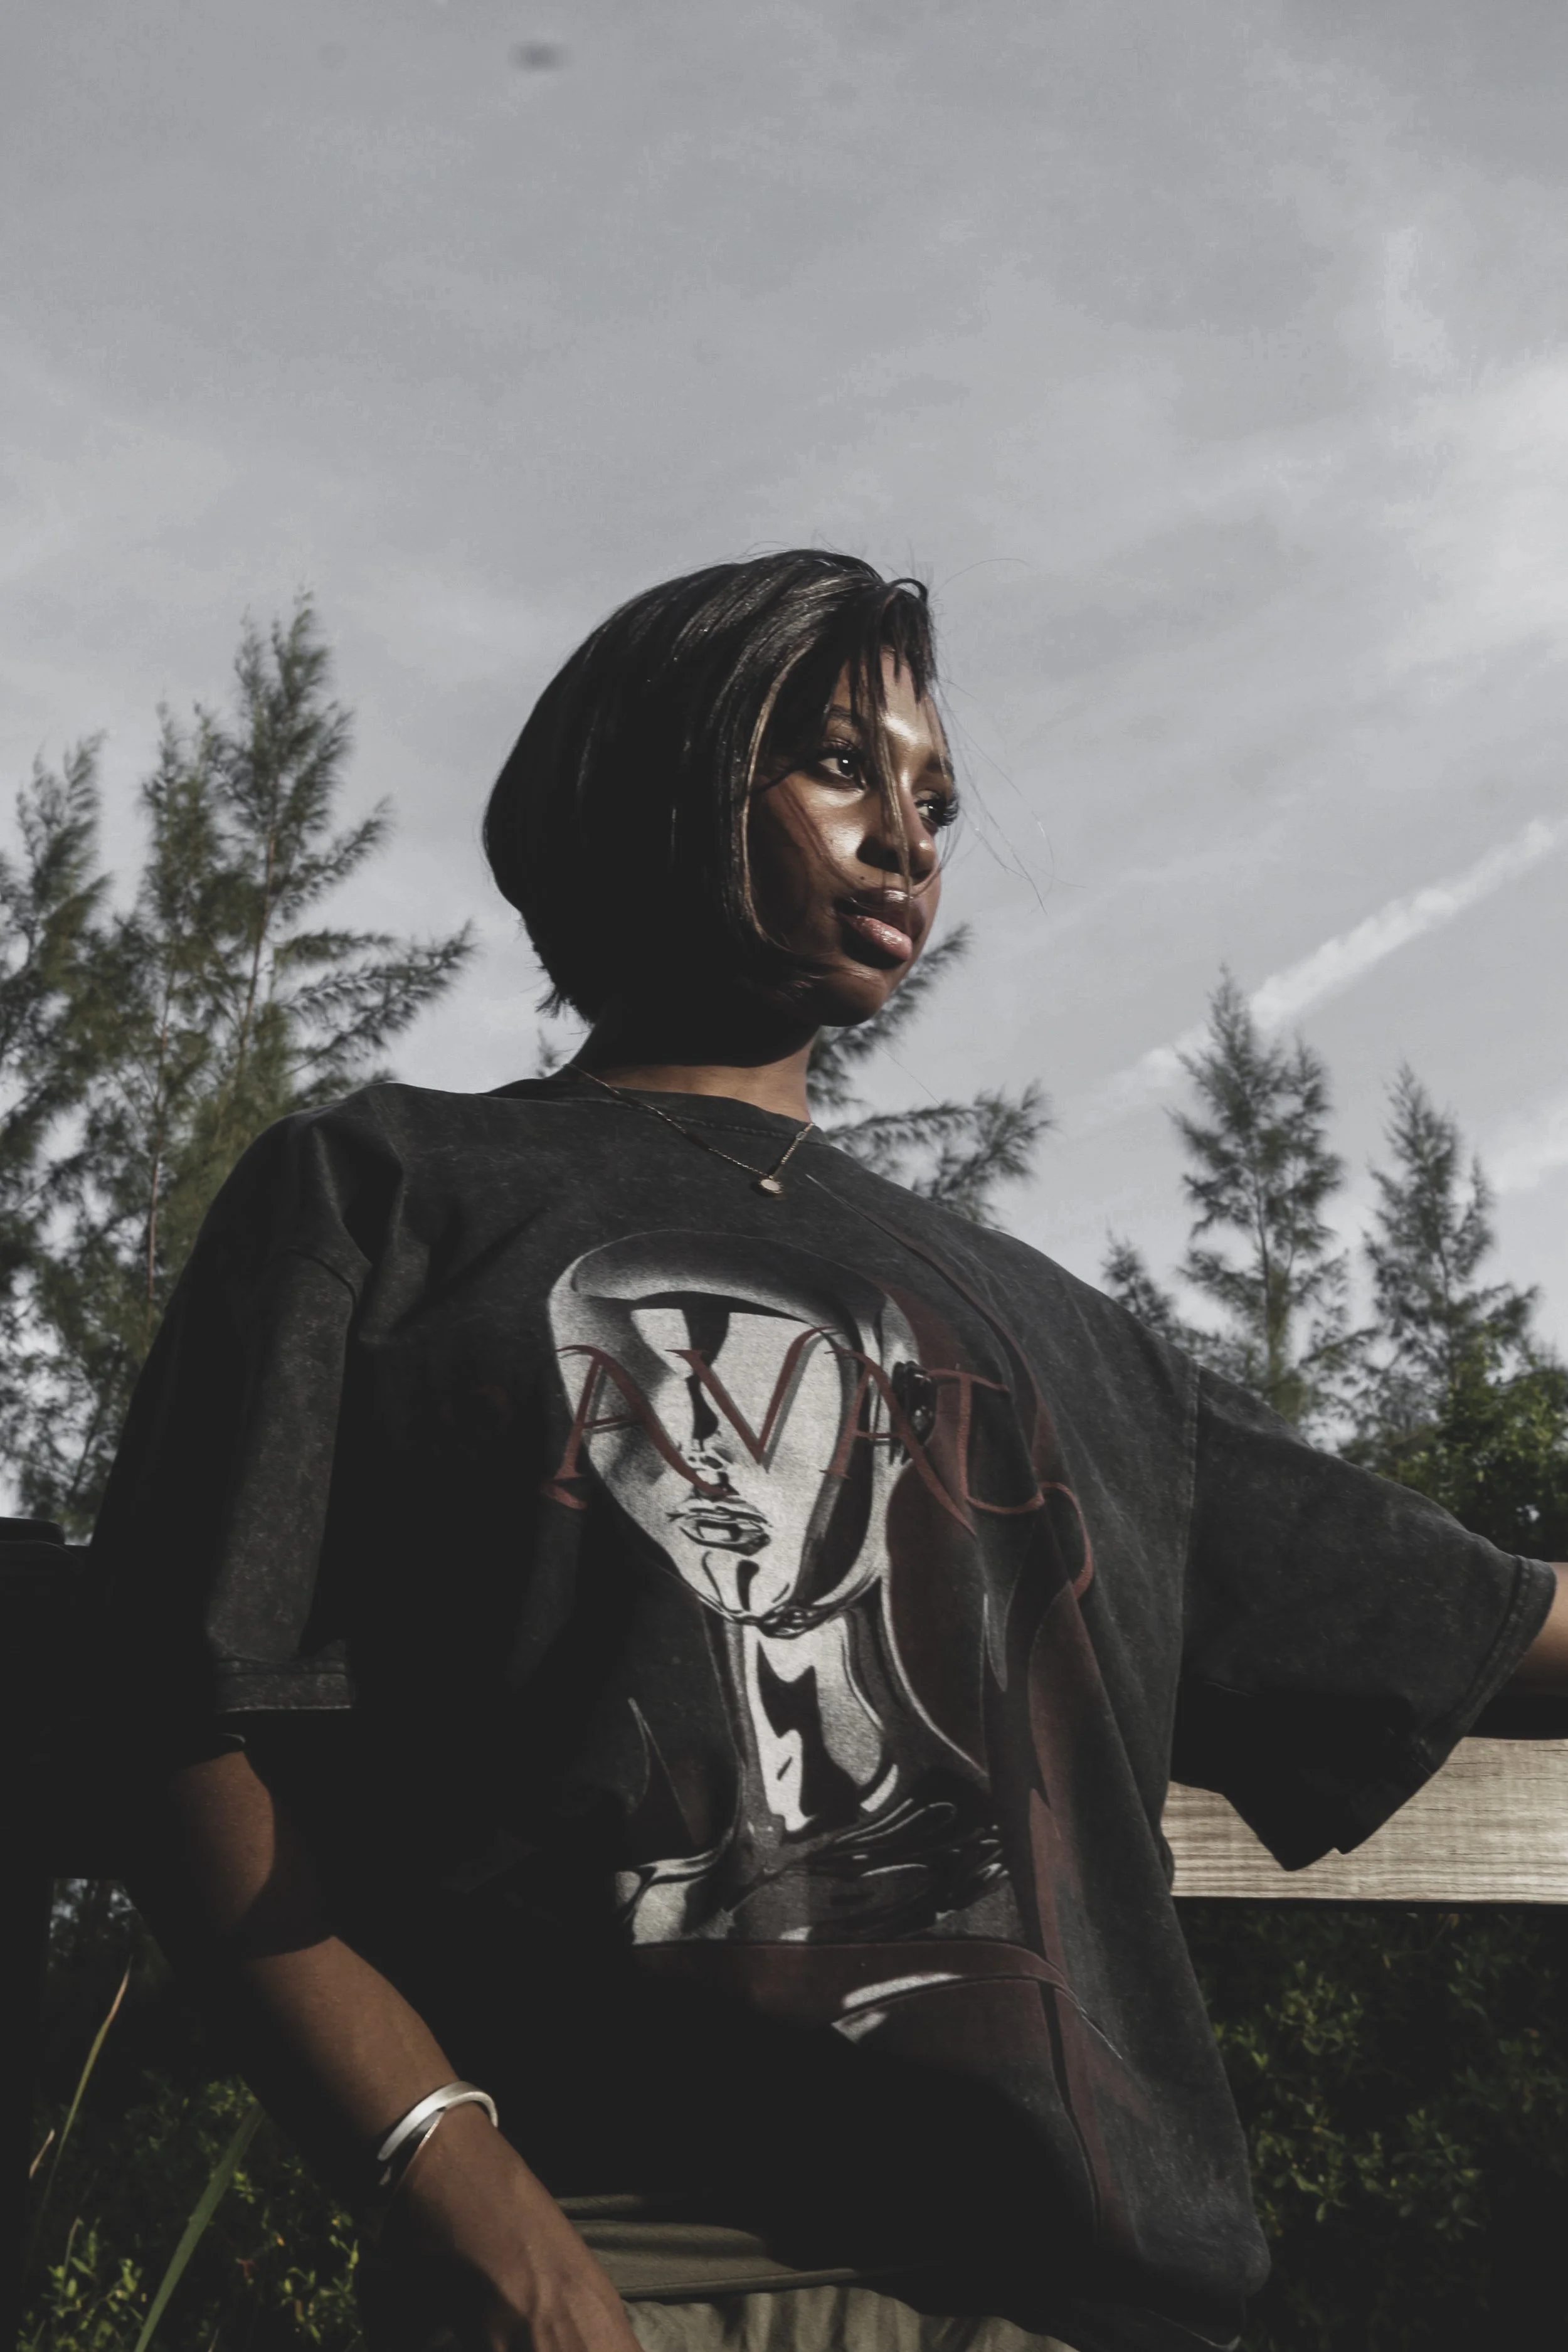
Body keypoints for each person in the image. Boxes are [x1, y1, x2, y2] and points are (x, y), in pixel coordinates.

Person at [95, 551, 1568, 2352]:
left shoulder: (1061, 1336)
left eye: (935, 796)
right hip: (622, 2261)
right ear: (670, 778)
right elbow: (173, 1710)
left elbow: (1471, 1619)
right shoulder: (387, 1194)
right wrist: (453, 2171)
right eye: (839, 766)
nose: (908, 838)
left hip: (1086, 2296)